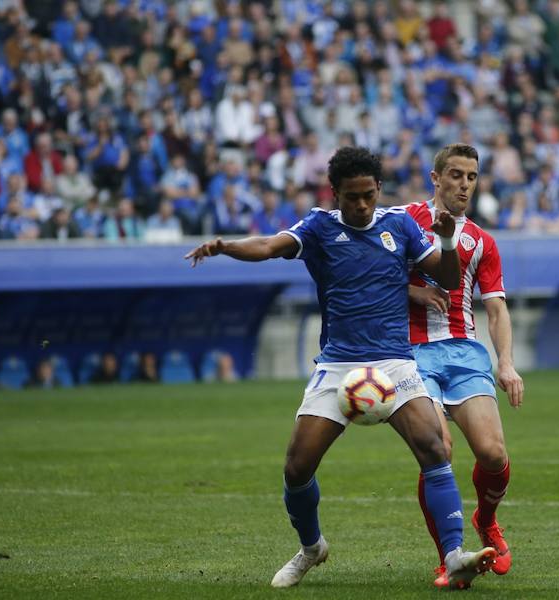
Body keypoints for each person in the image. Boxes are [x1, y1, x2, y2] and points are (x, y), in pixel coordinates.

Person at [184, 147, 496, 589]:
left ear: (379, 190)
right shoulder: (319, 227)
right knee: (296, 468)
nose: (362, 205)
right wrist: (227, 246)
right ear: (336, 194)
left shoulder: (400, 226)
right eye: (352, 197)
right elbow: (271, 245)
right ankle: (312, 548)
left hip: (393, 360)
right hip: (337, 365)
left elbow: (446, 278)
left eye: (369, 195)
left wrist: (446, 240)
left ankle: (453, 555)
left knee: (434, 447)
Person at [403, 143, 524, 588]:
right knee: (440, 450)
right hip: (412, 354)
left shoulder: (482, 241)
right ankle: (448, 559)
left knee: (493, 454)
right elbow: (372, 276)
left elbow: (496, 309)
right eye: (455, 175)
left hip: (464, 352)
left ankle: (487, 520)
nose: (464, 185)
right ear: (435, 178)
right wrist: (411, 293)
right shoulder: (403, 221)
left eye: (471, 177)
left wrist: (506, 364)